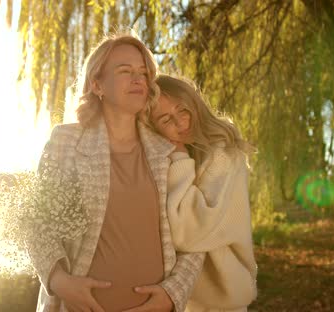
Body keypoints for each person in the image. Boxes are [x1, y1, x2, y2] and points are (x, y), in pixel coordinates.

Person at [28, 34, 205, 312]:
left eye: (144, 73)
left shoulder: (168, 151)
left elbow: (195, 236)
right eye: (125, 71)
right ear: (97, 84)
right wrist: (60, 282)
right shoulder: (66, 142)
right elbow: (38, 226)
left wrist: (172, 294)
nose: (138, 79)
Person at [145, 74, 257, 312]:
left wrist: (178, 157)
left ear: (194, 103)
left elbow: (189, 229)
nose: (179, 123)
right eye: (165, 119)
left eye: (182, 110)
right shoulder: (162, 160)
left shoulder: (225, 155)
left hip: (222, 300)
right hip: (184, 298)